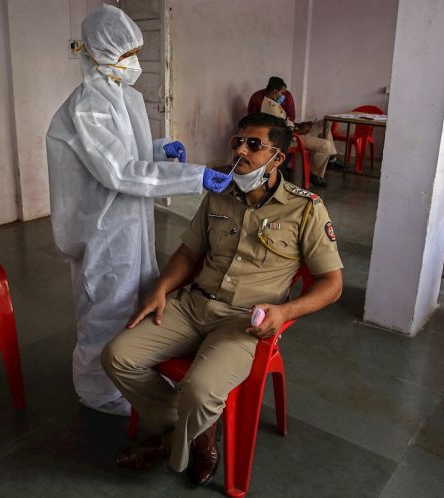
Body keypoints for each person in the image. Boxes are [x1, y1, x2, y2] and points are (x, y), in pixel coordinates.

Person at [102, 113, 343, 485]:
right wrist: (162, 288)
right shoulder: (219, 193)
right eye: (237, 142)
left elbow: (332, 283)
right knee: (117, 355)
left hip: (245, 322)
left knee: (199, 391)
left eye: (253, 145)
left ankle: (170, 445)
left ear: (278, 157)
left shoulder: (306, 208)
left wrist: (286, 311)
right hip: (194, 305)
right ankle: (187, 433)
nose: (240, 151)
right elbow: (188, 253)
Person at [46, 4, 231, 416]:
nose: (133, 63)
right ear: (99, 53)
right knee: (107, 305)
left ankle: (131, 370)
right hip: (102, 224)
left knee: (141, 293)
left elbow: (126, 154)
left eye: (135, 53)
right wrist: (192, 176)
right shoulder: (87, 107)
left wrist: (160, 149)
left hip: (129, 218)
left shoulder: (121, 95)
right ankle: (97, 390)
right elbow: (117, 171)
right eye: (125, 54)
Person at [248, 76, 339, 187]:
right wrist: (301, 131)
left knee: (325, 124)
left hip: (295, 131)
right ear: (275, 92)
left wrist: (300, 125)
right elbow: (282, 133)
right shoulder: (269, 108)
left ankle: (332, 157)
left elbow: (287, 122)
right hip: (293, 138)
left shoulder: (272, 103)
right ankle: (315, 174)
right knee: (326, 145)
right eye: (282, 93)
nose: (284, 96)